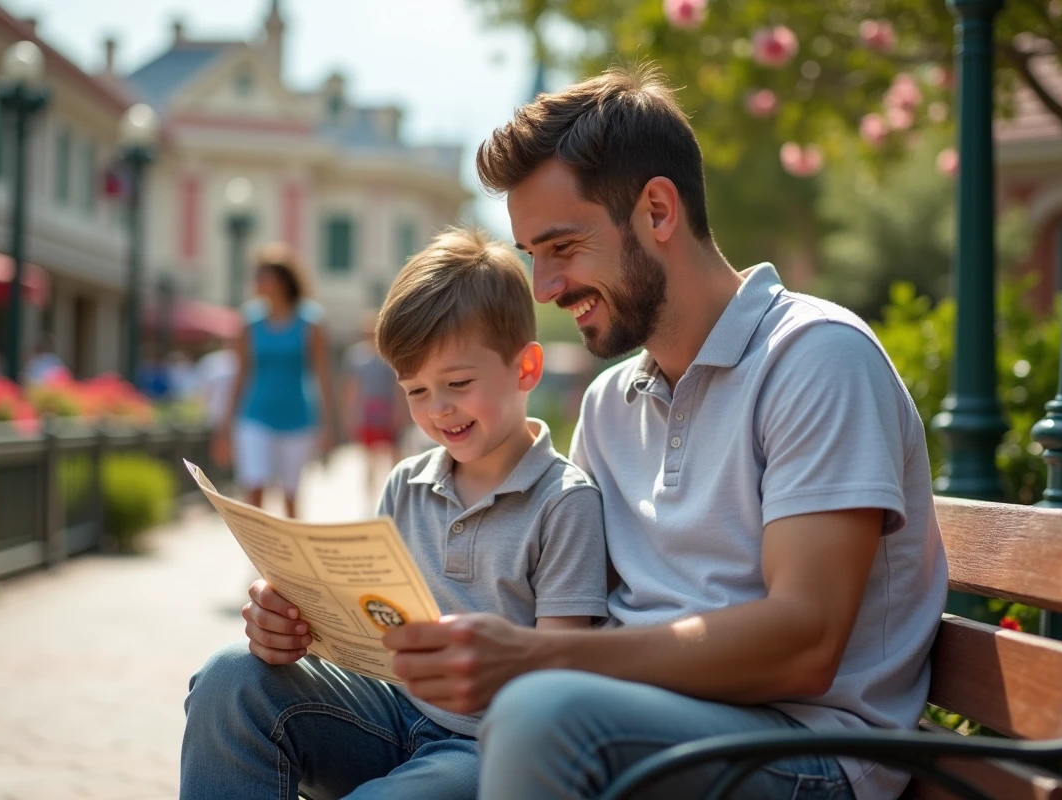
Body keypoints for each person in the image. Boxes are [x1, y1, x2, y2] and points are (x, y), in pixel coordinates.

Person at [370, 65, 941, 800]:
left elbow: (805, 644)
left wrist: (542, 662)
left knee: (544, 711)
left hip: (805, 749)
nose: (542, 287)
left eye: (562, 248)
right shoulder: (611, 404)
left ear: (659, 212)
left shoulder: (816, 358)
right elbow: (558, 594)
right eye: (532, 256)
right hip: (630, 722)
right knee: (245, 686)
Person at [181, 228, 609, 800]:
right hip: (385, 710)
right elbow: (367, 630)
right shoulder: (407, 482)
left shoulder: (565, 502)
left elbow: (558, 681)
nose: (439, 410)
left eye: (457, 383)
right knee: (229, 678)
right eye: (416, 391)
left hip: (483, 745)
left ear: (525, 370)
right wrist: (290, 619)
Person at [212, 242, 336, 519]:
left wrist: (327, 424)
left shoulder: (311, 321)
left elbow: (322, 376)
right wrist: (225, 425)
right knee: (254, 487)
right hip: (255, 416)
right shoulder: (249, 322)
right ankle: (257, 561)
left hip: (298, 419)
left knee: (291, 497)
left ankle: (289, 561)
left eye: (261, 275)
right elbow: (240, 375)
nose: (255, 282)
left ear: (281, 280)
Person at [341, 311, 407, 502]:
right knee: (369, 460)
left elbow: (397, 386)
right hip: (367, 412)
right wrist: (350, 413)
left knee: (393, 456)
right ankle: (371, 500)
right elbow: (351, 386)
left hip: (387, 409)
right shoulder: (356, 356)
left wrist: (400, 410)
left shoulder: (389, 356)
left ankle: (395, 496)